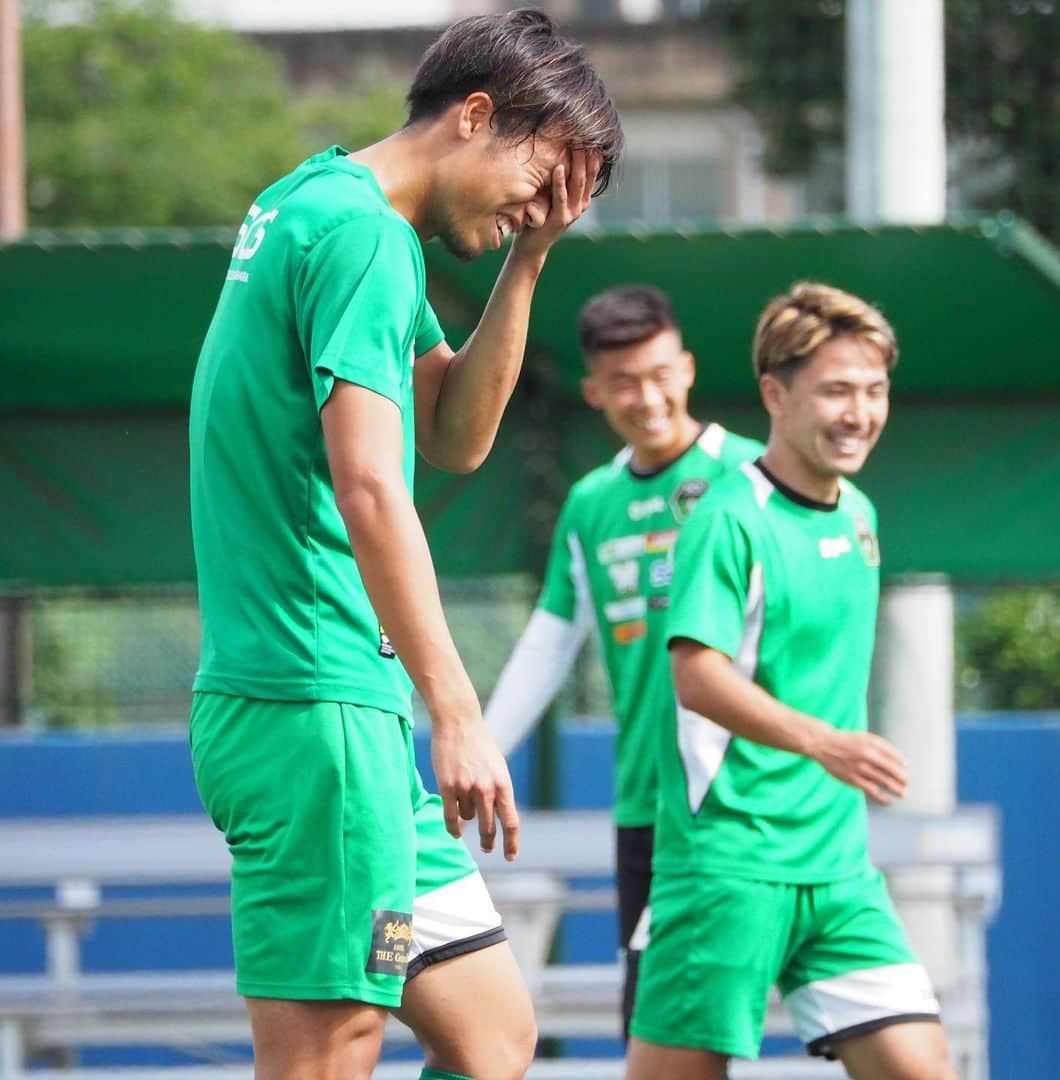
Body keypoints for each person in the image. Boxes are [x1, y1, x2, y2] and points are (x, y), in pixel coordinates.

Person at [187, 10, 622, 1080]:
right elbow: (376, 486)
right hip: (314, 711)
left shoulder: (318, 203)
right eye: (542, 177)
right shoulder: (365, 238)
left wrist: (528, 262)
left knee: (491, 1036)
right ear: (476, 115)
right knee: (328, 1058)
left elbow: (456, 435)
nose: (544, 203)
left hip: (342, 724)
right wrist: (460, 712)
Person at [627, 282, 956, 1080]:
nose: (860, 413)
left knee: (926, 1072)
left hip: (840, 873)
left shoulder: (861, 515)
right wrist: (827, 745)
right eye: (837, 391)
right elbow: (697, 677)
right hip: (729, 864)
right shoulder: (728, 517)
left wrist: (831, 760)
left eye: (875, 391)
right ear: (774, 394)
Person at [484, 284, 763, 1038]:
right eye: (624, 382)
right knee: (659, 1028)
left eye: (660, 372)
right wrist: (480, 746)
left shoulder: (756, 479)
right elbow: (551, 637)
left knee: (851, 1018)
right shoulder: (590, 502)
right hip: (651, 807)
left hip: (759, 804)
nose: (648, 397)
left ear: (690, 368)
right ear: (593, 391)